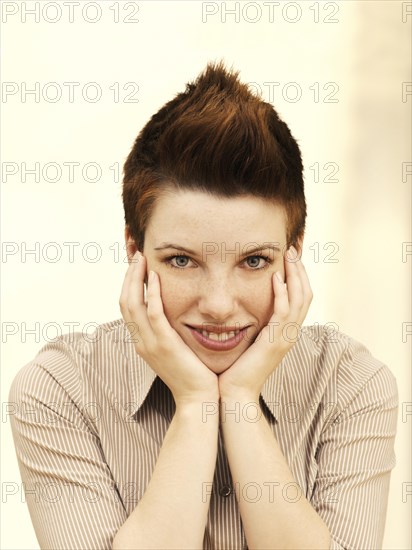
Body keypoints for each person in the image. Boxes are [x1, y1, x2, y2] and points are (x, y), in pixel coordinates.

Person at [9, 60, 398, 550]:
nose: (218, 305)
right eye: (181, 261)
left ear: (295, 251)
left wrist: (238, 401)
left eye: (254, 261)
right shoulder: (60, 391)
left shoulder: (350, 385)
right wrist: (195, 403)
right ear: (135, 251)